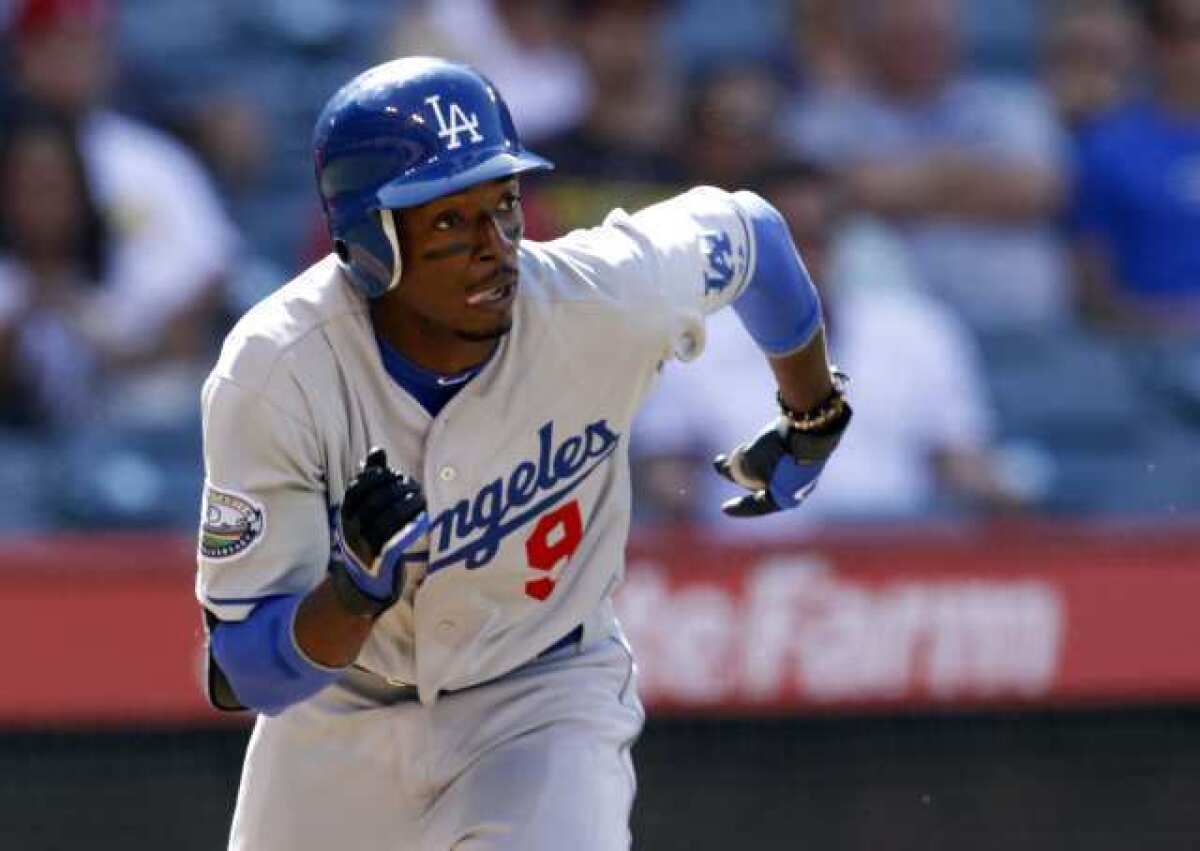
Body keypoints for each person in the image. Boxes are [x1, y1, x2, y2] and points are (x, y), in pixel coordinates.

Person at [195, 57, 849, 851]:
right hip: (342, 714)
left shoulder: (600, 295)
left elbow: (753, 233)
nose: (494, 244)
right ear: (369, 241)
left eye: (502, 205)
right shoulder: (277, 369)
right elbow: (245, 671)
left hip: (542, 689)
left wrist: (811, 407)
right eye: (448, 221)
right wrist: (354, 593)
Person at [634, 158, 1022, 533]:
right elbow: (666, 474)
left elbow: (961, 461)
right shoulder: (694, 341)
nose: (806, 257)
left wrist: (1006, 496)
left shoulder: (917, 330)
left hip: (900, 563)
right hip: (753, 566)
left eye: (818, 238)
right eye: (791, 242)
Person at [781, 0, 1071, 330]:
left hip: (1022, 330)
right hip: (888, 341)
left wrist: (901, 186)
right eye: (904, 35)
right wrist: (977, 178)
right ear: (870, 37)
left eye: (931, 33)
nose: (920, 46)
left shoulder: (1014, 107)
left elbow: (1036, 191)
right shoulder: (826, 118)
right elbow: (836, 196)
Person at [1070, 0, 1200, 332]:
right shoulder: (1108, 146)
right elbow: (1091, 288)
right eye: (1184, 34)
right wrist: (1176, 323)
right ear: (1153, 42)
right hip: (1145, 353)